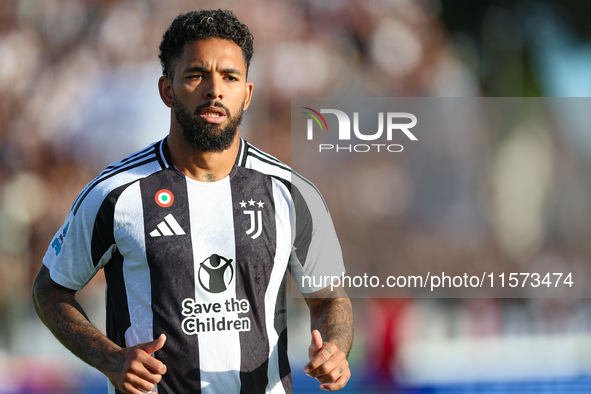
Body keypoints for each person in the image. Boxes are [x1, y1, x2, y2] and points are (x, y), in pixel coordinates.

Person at [32, 8, 353, 394]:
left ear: (247, 94)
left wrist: (334, 350)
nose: (215, 90)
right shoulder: (116, 193)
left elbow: (330, 299)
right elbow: (49, 290)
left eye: (230, 77)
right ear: (167, 89)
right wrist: (110, 358)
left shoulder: (291, 193)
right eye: (197, 75)